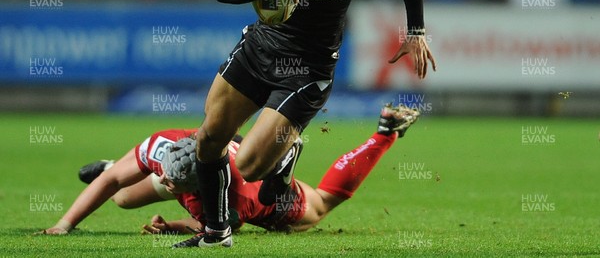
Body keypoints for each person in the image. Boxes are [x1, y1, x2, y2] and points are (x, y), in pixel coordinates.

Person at [194, 0, 436, 247]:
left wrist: (416, 31)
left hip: (309, 69)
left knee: (250, 166)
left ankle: (285, 153)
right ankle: (216, 233)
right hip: (260, 48)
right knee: (207, 140)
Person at [38, 104, 419, 248]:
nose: (167, 186)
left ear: (196, 189)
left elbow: (219, 226)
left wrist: (173, 223)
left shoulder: (233, 199)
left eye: (173, 187)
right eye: (166, 180)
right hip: (218, 155)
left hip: (250, 191)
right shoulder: (162, 148)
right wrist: (64, 224)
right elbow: (113, 185)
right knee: (119, 193)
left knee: (318, 207)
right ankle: (114, 162)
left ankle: (384, 132)